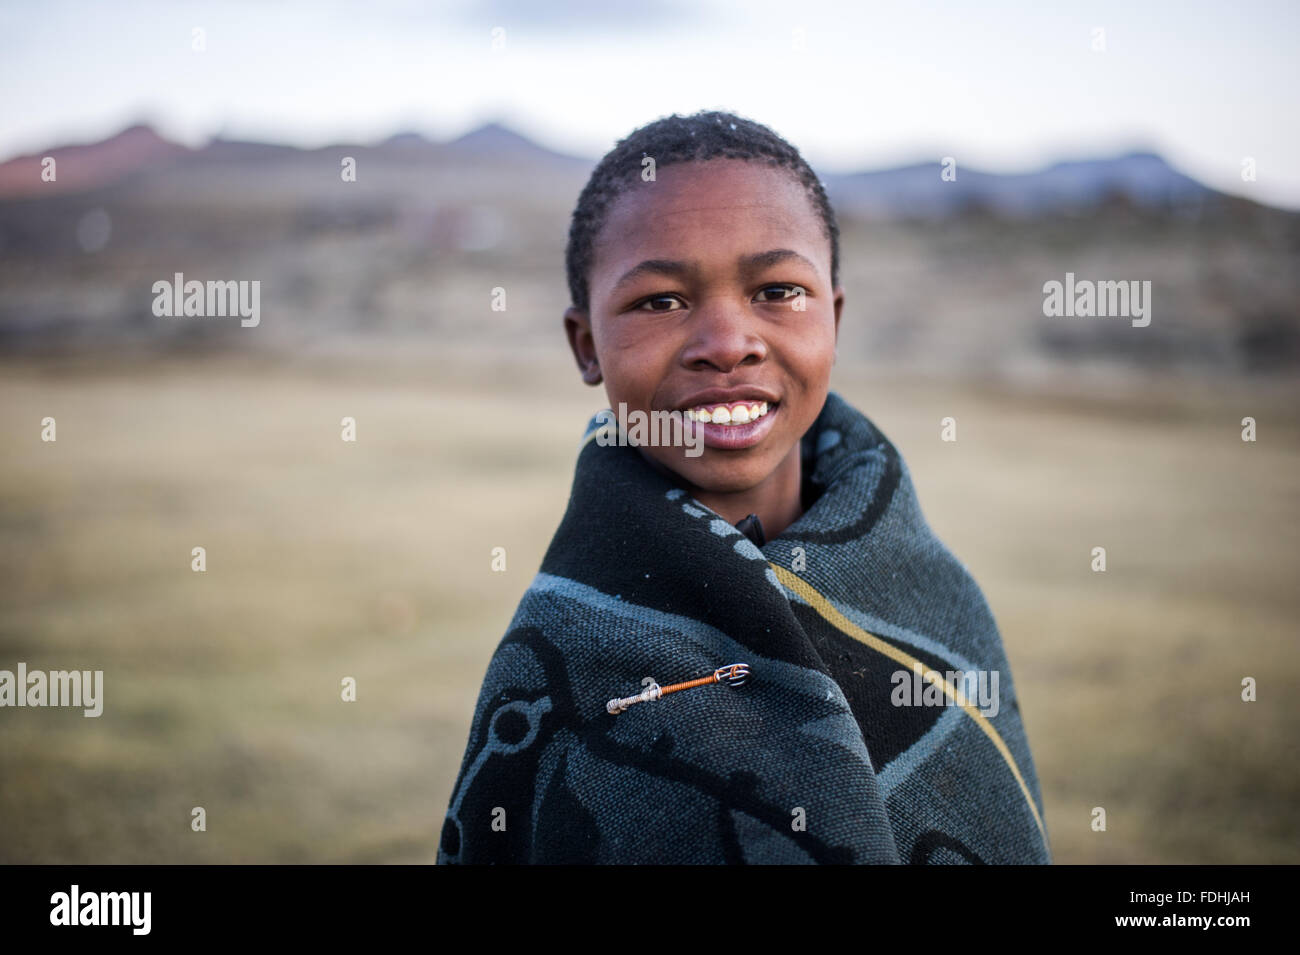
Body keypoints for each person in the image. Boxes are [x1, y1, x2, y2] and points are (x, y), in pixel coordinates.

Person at [437, 110, 1050, 864]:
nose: (728, 342)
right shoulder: (560, 657)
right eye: (660, 301)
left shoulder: (936, 602)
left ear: (835, 316)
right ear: (586, 344)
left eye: (778, 290)